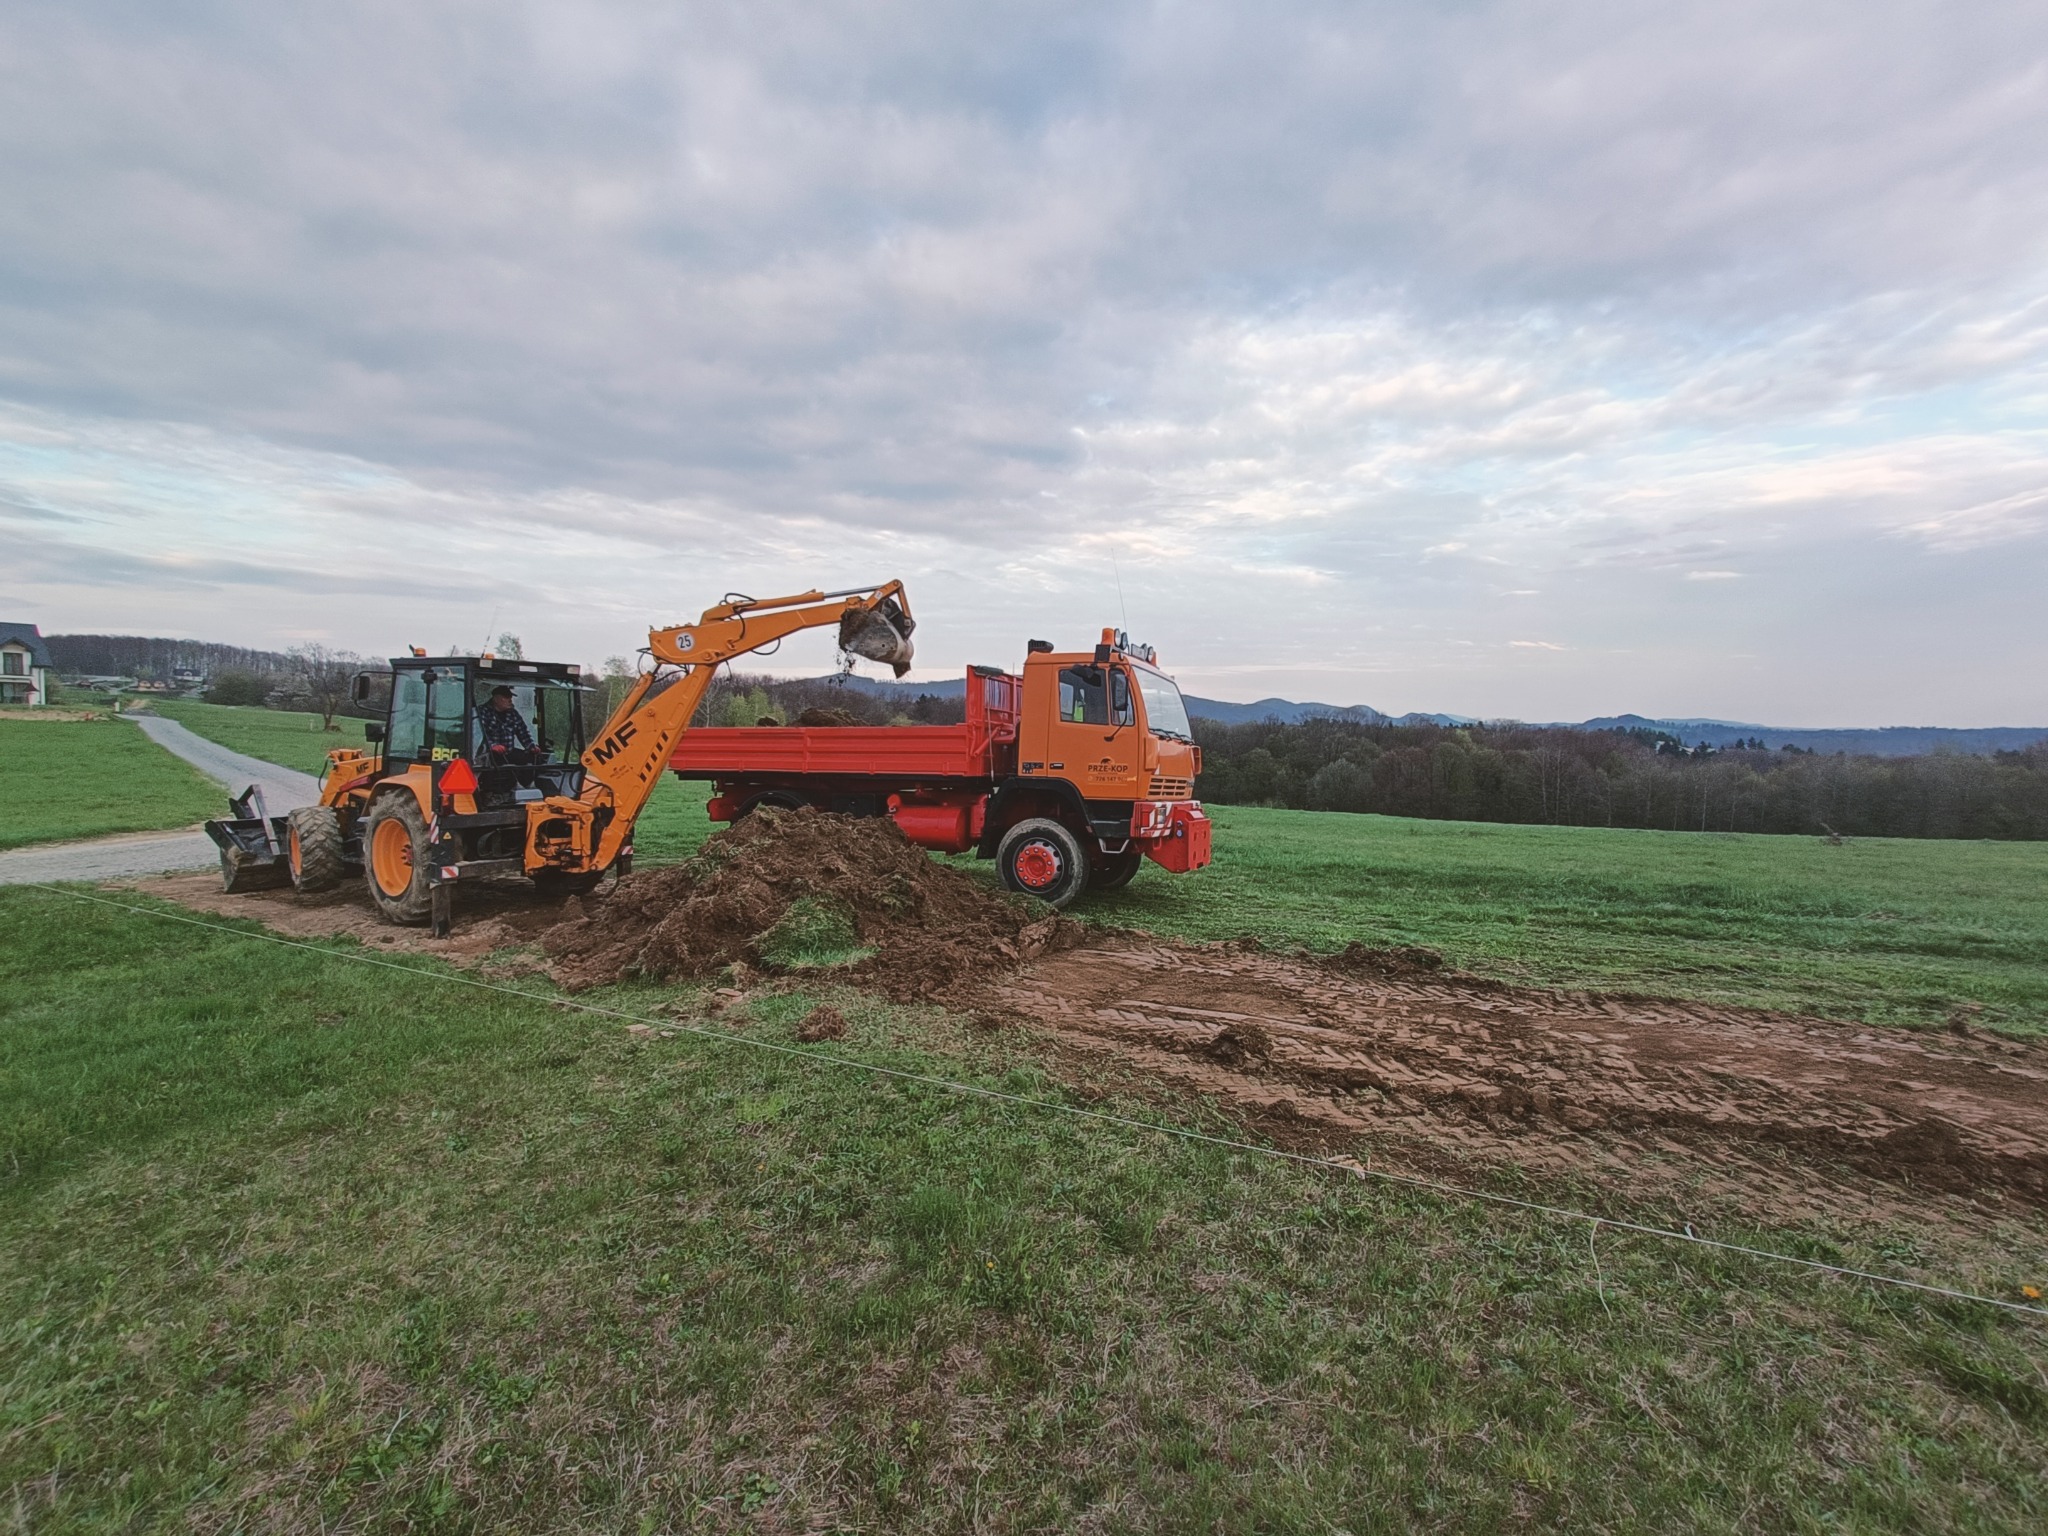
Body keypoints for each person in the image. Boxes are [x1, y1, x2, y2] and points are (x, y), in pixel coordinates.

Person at [478, 685, 536, 761]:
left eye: (510, 697)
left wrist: (531, 746)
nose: (510, 700)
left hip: (508, 754)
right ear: (496, 699)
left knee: (531, 759)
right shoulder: (482, 712)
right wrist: (492, 746)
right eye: (506, 697)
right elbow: (478, 735)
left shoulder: (513, 714)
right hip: (489, 757)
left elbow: (523, 732)